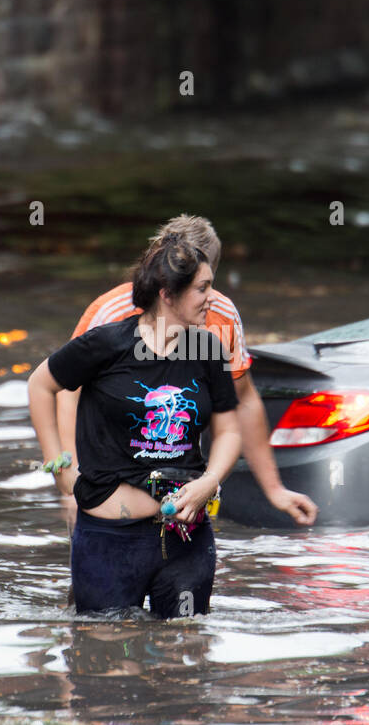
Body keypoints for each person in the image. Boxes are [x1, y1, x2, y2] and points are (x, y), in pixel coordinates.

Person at [56, 215, 317, 534]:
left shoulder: (220, 316)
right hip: (108, 479)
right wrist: (71, 476)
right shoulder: (113, 310)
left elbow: (244, 400)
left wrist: (274, 490)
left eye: (203, 282)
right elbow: (67, 389)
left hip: (178, 469)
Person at [28, 231, 242, 618]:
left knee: (185, 661)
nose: (212, 297)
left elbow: (230, 430)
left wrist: (210, 481)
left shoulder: (209, 349)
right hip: (109, 541)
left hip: (186, 540)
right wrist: (58, 463)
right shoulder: (107, 344)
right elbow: (41, 385)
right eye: (202, 288)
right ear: (167, 294)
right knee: (104, 660)